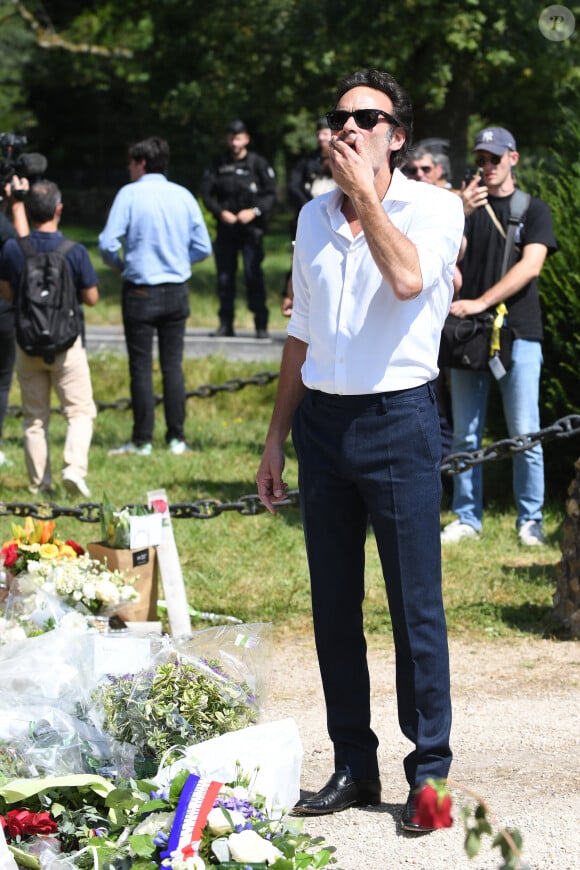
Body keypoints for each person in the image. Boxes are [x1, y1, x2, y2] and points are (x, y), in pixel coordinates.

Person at [256, 69, 464, 832]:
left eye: (366, 118)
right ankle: (353, 760)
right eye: (338, 118)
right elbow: (301, 330)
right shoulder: (313, 217)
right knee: (333, 605)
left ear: (396, 136)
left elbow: (409, 279)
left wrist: (368, 198)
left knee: (416, 606)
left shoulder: (435, 208)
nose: (347, 129)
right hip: (325, 427)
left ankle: (430, 774)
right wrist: (276, 436)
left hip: (399, 420)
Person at [441, 127, 557, 546]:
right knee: (464, 434)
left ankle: (531, 521)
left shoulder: (534, 210)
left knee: (525, 431)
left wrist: (480, 301)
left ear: (513, 158)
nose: (486, 167)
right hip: (471, 335)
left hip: (519, 332)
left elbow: (531, 267)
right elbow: (447, 260)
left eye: (494, 158)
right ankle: (466, 517)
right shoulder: (467, 209)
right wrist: (458, 213)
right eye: (481, 160)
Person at [99, 136, 212, 457]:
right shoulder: (183, 195)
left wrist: (119, 265)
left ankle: (142, 439)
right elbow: (203, 246)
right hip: (176, 289)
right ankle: (177, 437)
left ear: (142, 163)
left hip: (140, 289)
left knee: (141, 367)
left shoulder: (129, 194)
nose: (129, 168)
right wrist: (178, 260)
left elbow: (108, 243)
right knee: (173, 366)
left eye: (131, 163)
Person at [0, 180, 98, 497]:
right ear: (58, 209)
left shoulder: (14, 249)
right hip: (66, 344)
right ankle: (73, 469)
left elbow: (7, 293)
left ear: (27, 210)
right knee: (80, 411)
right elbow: (92, 297)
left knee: (34, 418)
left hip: (27, 343)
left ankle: (39, 483)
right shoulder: (75, 251)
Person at [200, 120, 276, 337]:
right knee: (225, 278)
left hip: (251, 229)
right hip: (227, 228)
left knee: (253, 276)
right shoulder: (218, 164)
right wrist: (219, 212)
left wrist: (254, 211)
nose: (235, 141)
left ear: (247, 139)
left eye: (239, 137)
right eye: (231, 137)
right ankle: (226, 324)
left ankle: (261, 325)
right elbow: (206, 193)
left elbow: (271, 194)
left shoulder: (258, 164)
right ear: (227, 139)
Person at [282, 116, 338, 316]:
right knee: (302, 258)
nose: (322, 138)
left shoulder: (342, 159)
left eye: (325, 133)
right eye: (319, 134)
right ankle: (295, 301)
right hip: (311, 215)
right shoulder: (306, 161)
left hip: (339, 217)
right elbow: (293, 186)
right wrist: (310, 207)